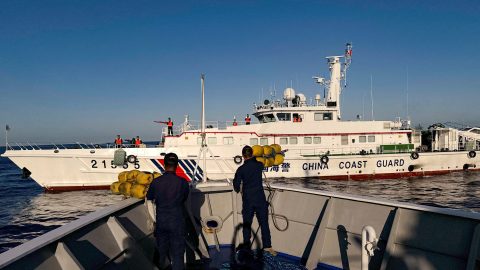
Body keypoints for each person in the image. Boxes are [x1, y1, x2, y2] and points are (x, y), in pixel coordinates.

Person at [146, 153, 190, 270]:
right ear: (177, 165)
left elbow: (149, 200)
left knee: (161, 254)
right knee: (178, 255)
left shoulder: (156, 182)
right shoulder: (183, 182)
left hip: (162, 222)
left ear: (164, 165)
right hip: (177, 222)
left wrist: (154, 220)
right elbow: (184, 199)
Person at [233, 146, 276, 255]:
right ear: (252, 154)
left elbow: (236, 186)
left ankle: (247, 246)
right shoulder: (259, 165)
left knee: (247, 224)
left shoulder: (241, 169)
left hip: (248, 200)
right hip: (260, 199)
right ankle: (267, 246)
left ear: (243, 156)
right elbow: (261, 162)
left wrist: (238, 188)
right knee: (264, 223)